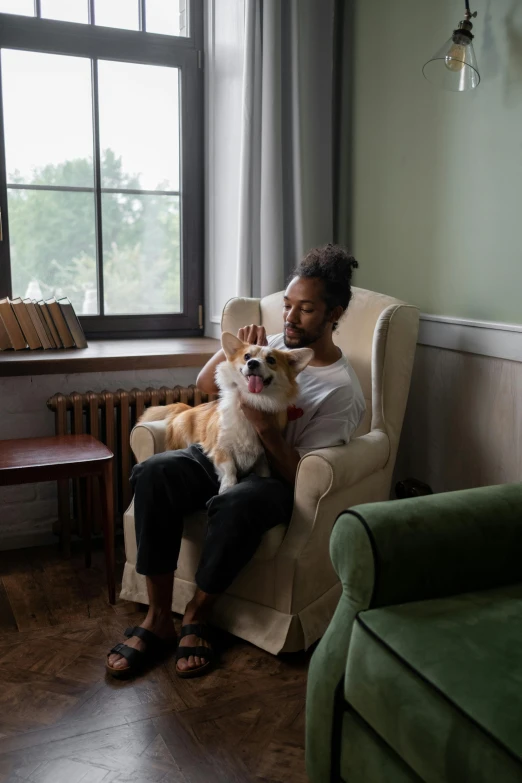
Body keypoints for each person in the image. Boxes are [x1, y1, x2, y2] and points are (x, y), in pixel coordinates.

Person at [106, 244, 366, 678]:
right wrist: (241, 348)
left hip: (276, 476)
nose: (289, 318)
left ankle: (197, 613)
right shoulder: (276, 345)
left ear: (333, 314)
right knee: (154, 473)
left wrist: (264, 426)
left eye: (305, 309)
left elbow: (303, 476)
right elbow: (207, 383)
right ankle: (156, 617)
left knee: (237, 503)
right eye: (287, 306)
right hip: (225, 451)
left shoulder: (341, 390)